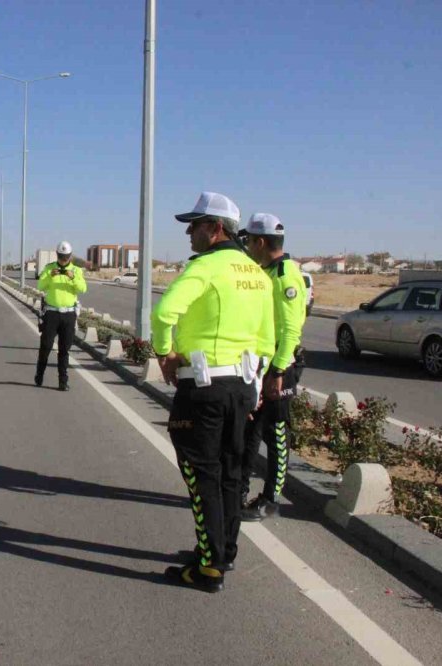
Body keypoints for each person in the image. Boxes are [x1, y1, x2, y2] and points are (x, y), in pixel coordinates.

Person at [152, 192, 275, 592]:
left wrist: (164, 353)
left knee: (200, 471)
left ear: (216, 229)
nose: (189, 232)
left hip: (203, 388)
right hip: (242, 387)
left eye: (195, 225)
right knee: (230, 472)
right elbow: (267, 339)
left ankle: (208, 567)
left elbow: (163, 312)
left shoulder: (206, 268)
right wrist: (253, 386)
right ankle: (224, 552)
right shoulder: (256, 273)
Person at [238, 214, 308, 521]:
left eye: (249, 241)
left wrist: (278, 372)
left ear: (261, 242)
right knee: (250, 429)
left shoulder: (286, 276)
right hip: (260, 363)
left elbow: (291, 330)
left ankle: (270, 499)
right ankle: (239, 490)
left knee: (276, 433)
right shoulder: (264, 271)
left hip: (280, 366)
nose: (247, 246)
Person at [35, 241, 87, 391]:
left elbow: (83, 288)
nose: (64, 260)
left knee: (64, 349)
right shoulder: (49, 268)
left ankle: (63, 382)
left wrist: (73, 278)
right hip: (51, 313)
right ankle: (39, 375)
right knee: (45, 346)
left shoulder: (76, 271)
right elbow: (40, 286)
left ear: (70, 256)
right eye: (61, 257)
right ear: (57, 255)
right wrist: (49, 277)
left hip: (69, 314)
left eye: (66, 257)